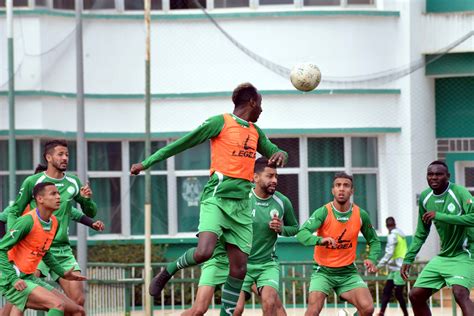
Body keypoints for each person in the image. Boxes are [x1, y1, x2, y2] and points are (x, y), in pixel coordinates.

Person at [130, 83, 288, 315]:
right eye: (261, 104)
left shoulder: (255, 132)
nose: (262, 110)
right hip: (217, 199)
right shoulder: (220, 122)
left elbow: (274, 150)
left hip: (242, 206)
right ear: (253, 102)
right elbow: (182, 143)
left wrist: (281, 154)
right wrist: (147, 163)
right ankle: (168, 270)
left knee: (239, 269)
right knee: (204, 251)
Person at [182, 157, 298, 316]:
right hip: (241, 264)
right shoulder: (240, 197)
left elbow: (295, 228)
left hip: (267, 264)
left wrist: (282, 229)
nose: (274, 180)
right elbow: (220, 218)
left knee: (270, 302)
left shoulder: (282, 201)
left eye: (276, 176)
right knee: (235, 310)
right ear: (255, 177)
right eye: (269, 176)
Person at [1, 139, 98, 311]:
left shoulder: (73, 182)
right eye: (60, 154)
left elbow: (87, 212)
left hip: (61, 249)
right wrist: (14, 237)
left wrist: (87, 202)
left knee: (77, 302)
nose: (65, 158)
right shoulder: (33, 182)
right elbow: (14, 211)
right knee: (21, 295)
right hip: (35, 247)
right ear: (49, 157)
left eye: (67, 154)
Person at [297, 172, 381, 316]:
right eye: (338, 185)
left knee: (368, 309)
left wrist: (372, 258)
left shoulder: (361, 215)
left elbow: (374, 241)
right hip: (322, 271)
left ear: (352, 190)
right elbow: (302, 234)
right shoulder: (323, 212)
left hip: (348, 272)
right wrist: (320, 240)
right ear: (333, 190)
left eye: (346, 185)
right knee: (312, 312)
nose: (341, 189)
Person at [0, 182, 87, 315]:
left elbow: (45, 252)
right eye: (53, 193)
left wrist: (63, 273)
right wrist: (13, 278)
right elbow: (1, 249)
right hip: (14, 279)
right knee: (57, 305)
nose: (58, 197)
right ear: (39, 199)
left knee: (78, 311)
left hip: (28, 278)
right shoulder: (27, 221)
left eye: (58, 193)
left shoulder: (54, 222)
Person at [401, 160, 474, 316]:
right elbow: (421, 233)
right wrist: (408, 258)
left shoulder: (460, 193)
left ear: (447, 176)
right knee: (415, 295)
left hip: (465, 253)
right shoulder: (426, 198)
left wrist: (441, 216)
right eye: (430, 174)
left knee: (460, 293)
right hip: (444, 256)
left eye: (439, 174)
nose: (434, 177)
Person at [376, 217, 409, 316]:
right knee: (387, 290)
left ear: (386, 226)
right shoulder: (401, 235)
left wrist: (378, 266)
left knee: (398, 294)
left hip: (400, 269)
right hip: (396, 269)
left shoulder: (392, 236)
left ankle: (406, 314)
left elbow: (389, 253)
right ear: (395, 224)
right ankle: (381, 312)